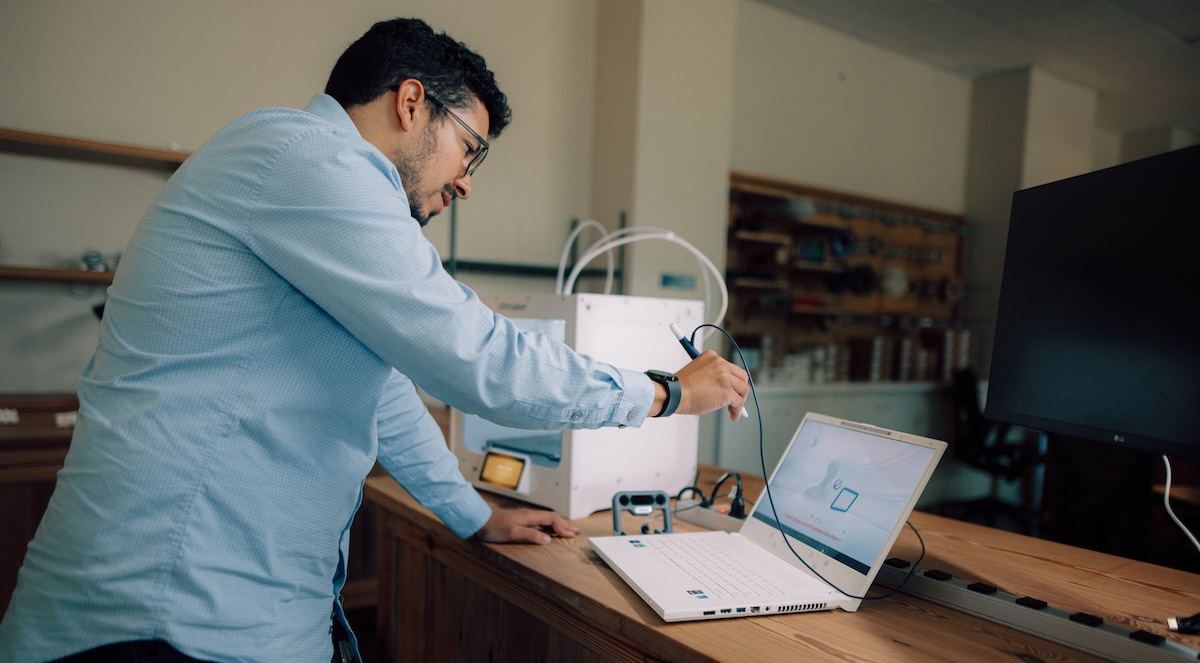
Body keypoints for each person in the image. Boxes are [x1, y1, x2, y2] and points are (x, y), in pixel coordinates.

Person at [0, 17, 748, 663]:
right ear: (412, 101)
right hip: (166, 621)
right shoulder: (311, 159)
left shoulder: (295, 176)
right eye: (471, 148)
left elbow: (382, 387)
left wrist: (473, 512)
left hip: (210, 616)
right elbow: (473, 353)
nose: (466, 181)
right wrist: (668, 391)